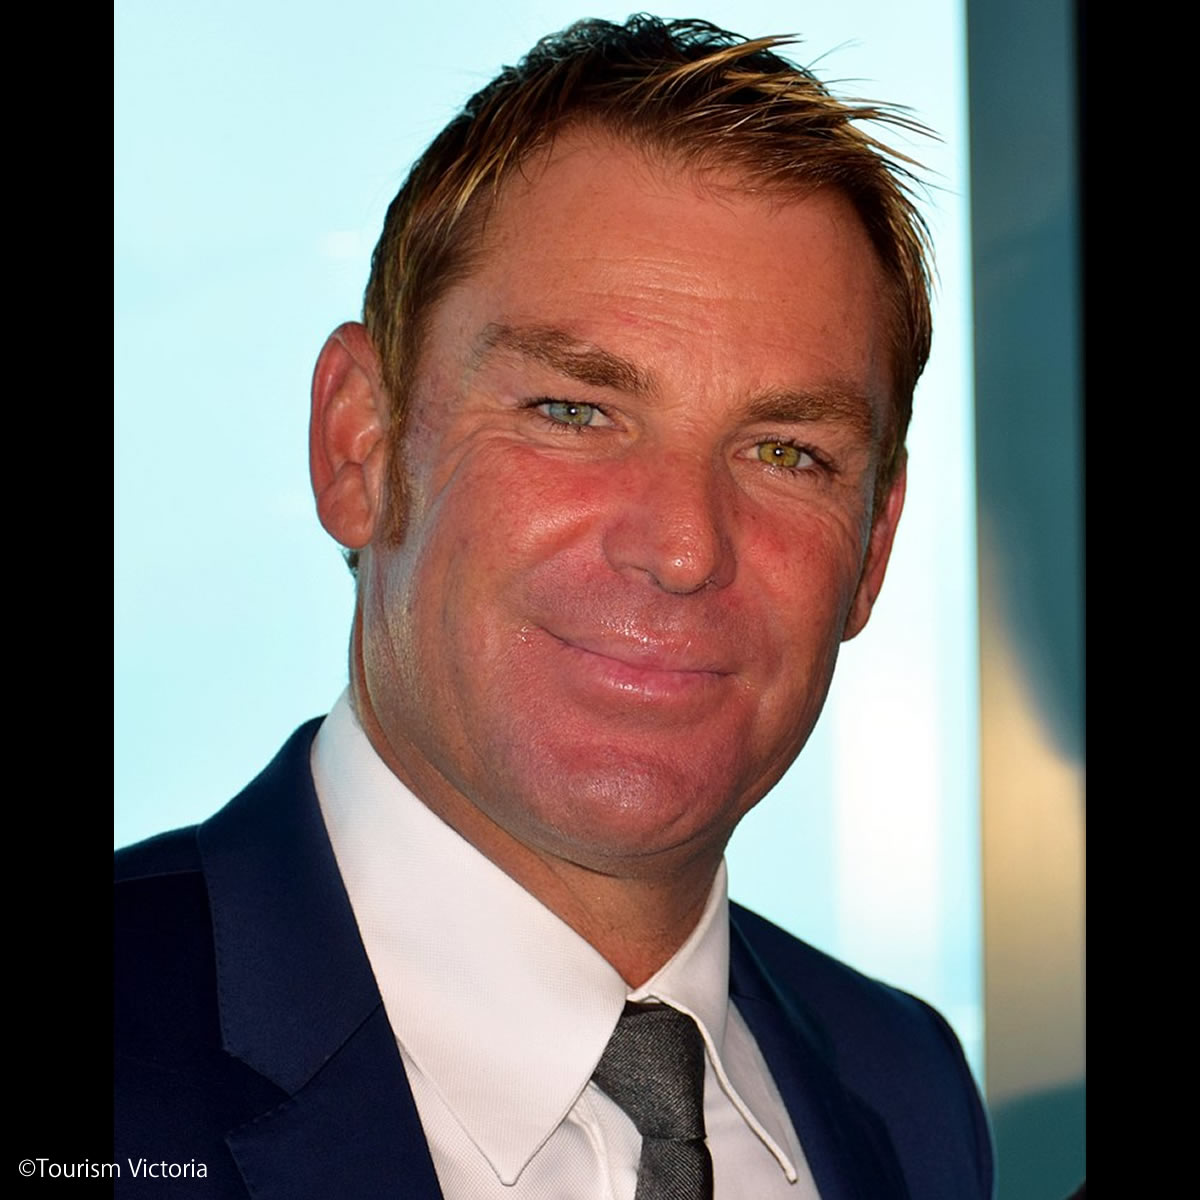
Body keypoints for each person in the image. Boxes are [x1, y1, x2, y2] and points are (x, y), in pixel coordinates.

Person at [115, 15, 994, 1199]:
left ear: (875, 545)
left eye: (787, 452)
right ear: (358, 445)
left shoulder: (909, 1091)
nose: (684, 547)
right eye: (574, 412)